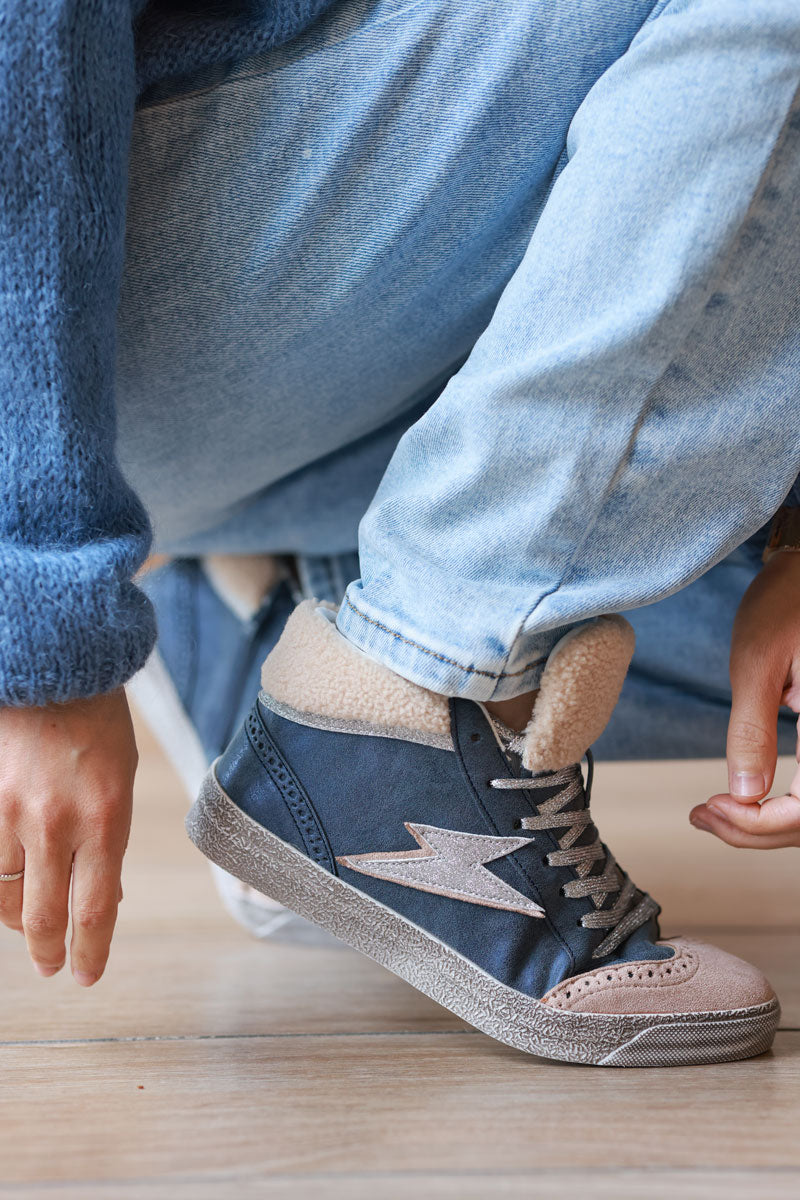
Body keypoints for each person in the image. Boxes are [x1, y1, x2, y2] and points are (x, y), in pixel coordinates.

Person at [1, 0, 799, 1066]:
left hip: (322, 320)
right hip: (79, 302)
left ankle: (284, 639)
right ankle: (401, 700)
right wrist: (37, 614)